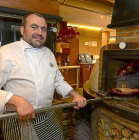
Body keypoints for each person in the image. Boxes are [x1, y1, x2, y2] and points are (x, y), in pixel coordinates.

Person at [0, 12, 87, 140]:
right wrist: (16, 100)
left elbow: (58, 81)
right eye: (34, 27)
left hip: (47, 116)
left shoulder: (48, 53)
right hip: (17, 119)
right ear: (22, 30)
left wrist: (75, 94)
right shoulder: (6, 53)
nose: (39, 33)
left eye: (43, 29)